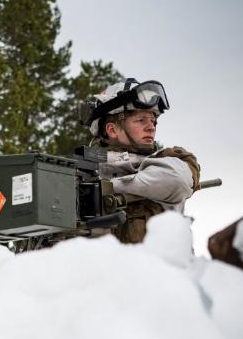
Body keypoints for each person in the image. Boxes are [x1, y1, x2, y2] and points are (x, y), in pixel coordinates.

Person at [83, 78, 201, 243]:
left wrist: (108, 188)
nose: (151, 127)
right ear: (112, 130)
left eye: (153, 121)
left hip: (166, 267)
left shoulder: (168, 161)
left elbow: (177, 181)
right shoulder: (83, 172)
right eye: (141, 120)